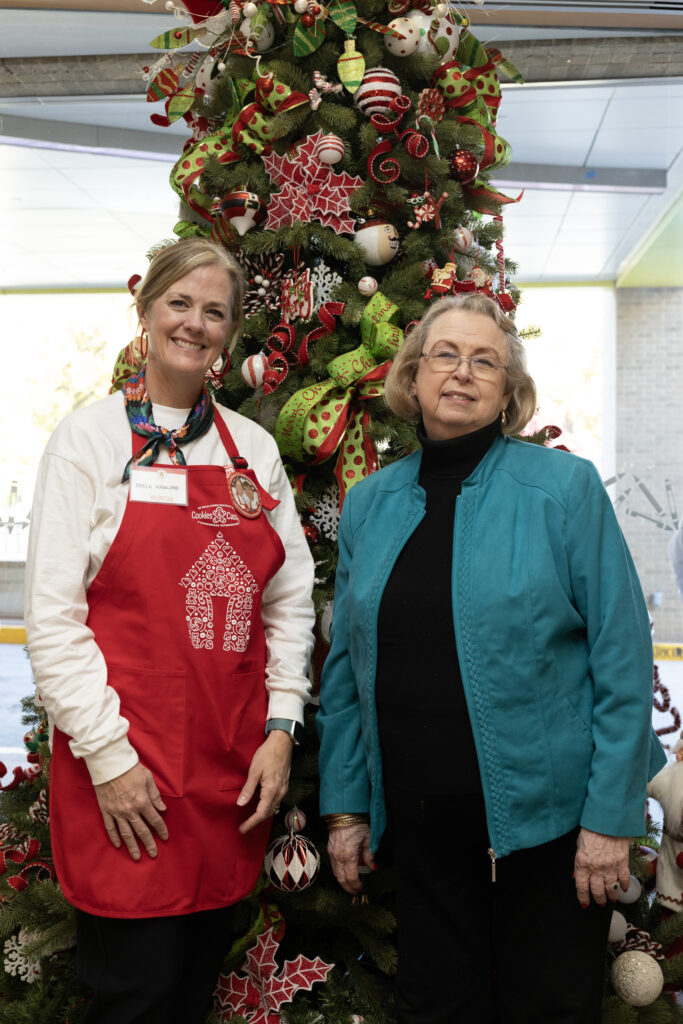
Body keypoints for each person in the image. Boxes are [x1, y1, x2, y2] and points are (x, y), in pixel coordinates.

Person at [316, 293, 665, 1024]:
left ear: (509, 393)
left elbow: (622, 656)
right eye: (445, 354)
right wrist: (347, 807)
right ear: (412, 376)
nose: (462, 372)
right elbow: (344, 670)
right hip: (420, 829)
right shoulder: (369, 504)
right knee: (434, 1008)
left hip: (554, 830)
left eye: (486, 361)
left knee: (549, 1009)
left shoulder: (563, 488)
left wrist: (610, 820)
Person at [25, 238, 315, 1023]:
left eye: (214, 311)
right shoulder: (87, 441)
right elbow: (52, 622)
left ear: (230, 332)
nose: (194, 323)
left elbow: (289, 602)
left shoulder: (252, 451)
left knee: (191, 992)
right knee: (138, 994)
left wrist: (281, 728)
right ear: (146, 311)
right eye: (179, 303)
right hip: (125, 773)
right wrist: (110, 760)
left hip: (228, 773)